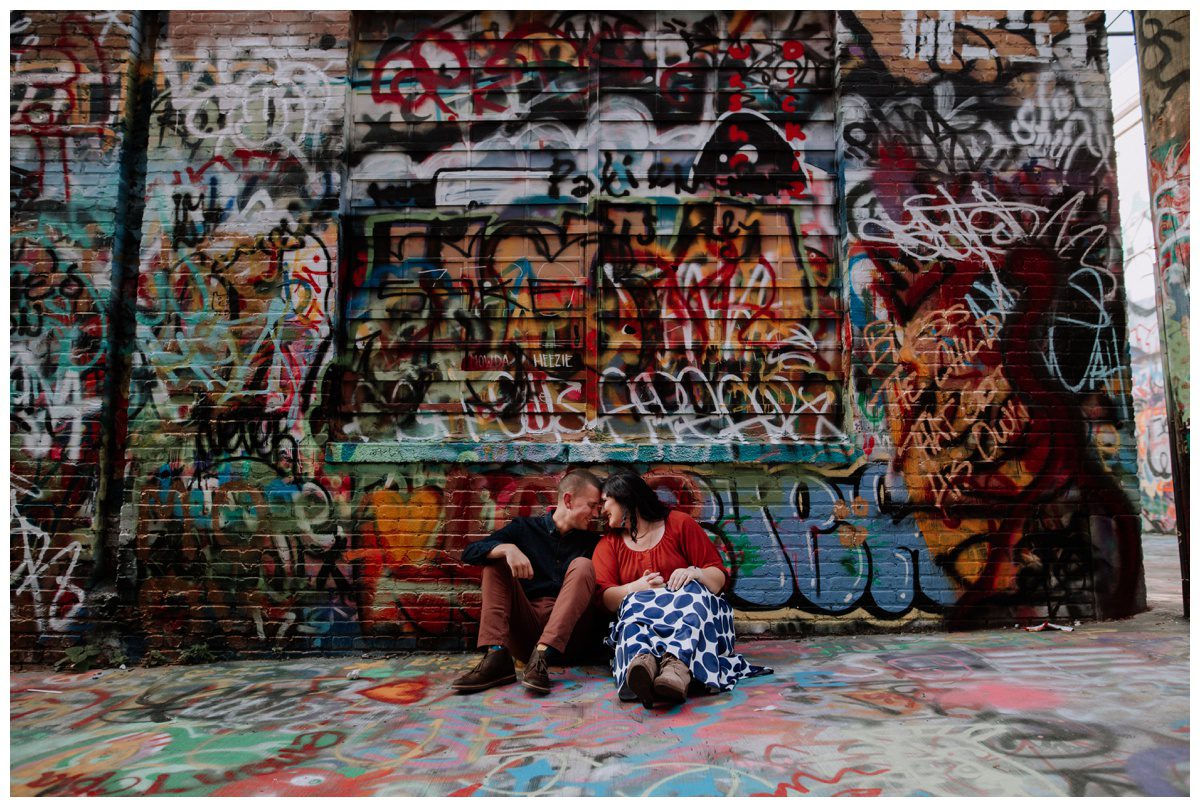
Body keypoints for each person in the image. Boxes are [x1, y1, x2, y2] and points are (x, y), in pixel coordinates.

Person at [593, 469, 769, 707]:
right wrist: (637, 586)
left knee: (693, 593)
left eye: (605, 501)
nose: (601, 510)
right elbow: (607, 600)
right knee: (632, 608)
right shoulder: (609, 545)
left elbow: (718, 580)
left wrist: (694, 572)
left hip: (692, 621)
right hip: (645, 626)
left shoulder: (678, 524)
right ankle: (644, 666)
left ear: (625, 497)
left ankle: (676, 667)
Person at [453, 468, 604, 695]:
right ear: (568, 500)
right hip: (526, 634)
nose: (595, 513)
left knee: (583, 565)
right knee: (496, 560)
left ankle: (544, 654)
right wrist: (506, 548)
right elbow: (470, 552)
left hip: (569, 639)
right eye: (592, 506)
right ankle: (496, 657)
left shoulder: (594, 542)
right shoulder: (524, 530)